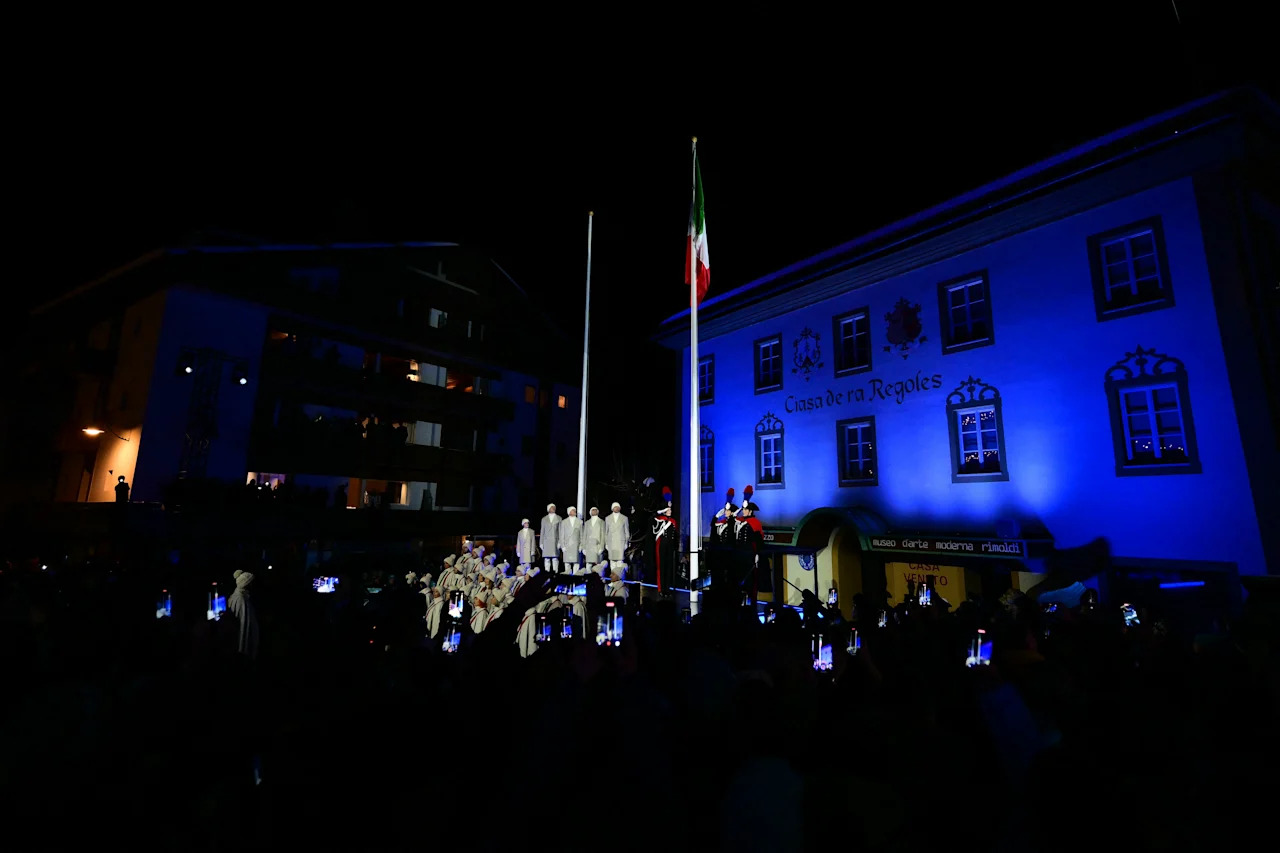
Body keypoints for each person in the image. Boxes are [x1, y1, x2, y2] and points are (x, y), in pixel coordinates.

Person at [734, 486, 765, 604]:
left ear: (750, 511)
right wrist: (742, 506)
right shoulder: (741, 521)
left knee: (750, 580)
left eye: (746, 510)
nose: (744, 511)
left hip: (750, 554)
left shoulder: (755, 523)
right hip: (740, 554)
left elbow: (759, 541)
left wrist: (757, 554)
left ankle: (751, 601)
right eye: (744, 509)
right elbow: (733, 517)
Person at [227, 570, 260, 659]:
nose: (252, 585)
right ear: (246, 584)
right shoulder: (241, 600)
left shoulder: (241, 596)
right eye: (250, 583)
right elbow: (243, 626)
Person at [652, 487, 677, 594]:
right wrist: (662, 511)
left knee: (668, 568)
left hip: (670, 546)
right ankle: (661, 589)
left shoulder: (673, 521)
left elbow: (674, 535)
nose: (670, 511)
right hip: (662, 545)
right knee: (661, 567)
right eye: (668, 509)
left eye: (671, 509)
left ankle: (667, 588)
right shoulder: (660, 520)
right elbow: (654, 518)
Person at [604, 502, 630, 568]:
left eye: (618, 507)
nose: (616, 508)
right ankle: (613, 576)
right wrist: (606, 543)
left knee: (620, 562)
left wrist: (626, 543)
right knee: (612, 562)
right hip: (611, 542)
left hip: (620, 543)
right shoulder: (608, 518)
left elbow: (626, 531)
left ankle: (619, 576)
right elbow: (606, 532)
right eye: (615, 507)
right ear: (612, 508)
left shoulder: (624, 518)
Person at [559, 507, 584, 574]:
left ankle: (576, 580)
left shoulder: (580, 522)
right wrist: (562, 546)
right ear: (569, 512)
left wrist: (581, 545)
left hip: (576, 546)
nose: (574, 511)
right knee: (567, 564)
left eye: (575, 510)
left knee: (576, 564)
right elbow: (562, 535)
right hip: (567, 546)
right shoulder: (564, 522)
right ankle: (567, 580)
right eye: (573, 510)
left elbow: (582, 535)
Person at [540, 504, 562, 573]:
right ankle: (547, 574)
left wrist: (560, 542)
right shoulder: (544, 519)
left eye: (554, 507)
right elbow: (542, 531)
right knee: (547, 559)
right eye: (551, 507)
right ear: (548, 509)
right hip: (546, 541)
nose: (553, 508)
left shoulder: (559, 518)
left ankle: (555, 573)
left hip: (555, 541)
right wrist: (541, 543)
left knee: (555, 559)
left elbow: (561, 531)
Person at [583, 507, 605, 573]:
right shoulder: (587, 523)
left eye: (595, 510)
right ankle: (589, 579)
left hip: (598, 546)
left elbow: (603, 535)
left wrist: (601, 547)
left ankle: (598, 580)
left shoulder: (601, 522)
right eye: (592, 510)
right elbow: (584, 536)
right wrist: (584, 548)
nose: (594, 511)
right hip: (589, 547)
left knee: (598, 565)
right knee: (589, 565)